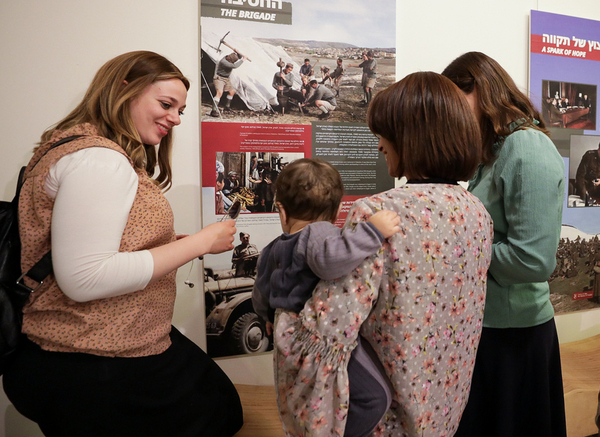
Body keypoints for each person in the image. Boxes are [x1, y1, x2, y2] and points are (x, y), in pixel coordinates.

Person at [4, 51, 243, 436]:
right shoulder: (100, 161)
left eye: (180, 109)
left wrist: (172, 244)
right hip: (91, 359)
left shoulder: (80, 148)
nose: (176, 119)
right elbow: (84, 278)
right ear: (123, 89)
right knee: (219, 411)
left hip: (98, 347)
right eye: (166, 104)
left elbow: (95, 244)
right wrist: (199, 243)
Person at [272, 72, 492, 436]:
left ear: (410, 138)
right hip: (444, 411)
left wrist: (279, 311)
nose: (378, 147)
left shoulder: (378, 212)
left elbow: (328, 330)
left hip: (385, 419)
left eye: (382, 135)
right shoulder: (476, 212)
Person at [442, 51, 567, 437]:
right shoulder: (492, 154)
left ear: (477, 88)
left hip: (514, 336)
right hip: (489, 328)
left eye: (454, 100)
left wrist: (459, 249)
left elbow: (532, 261)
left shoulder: (525, 147)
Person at [252, 158, 401, 437]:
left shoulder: (271, 249)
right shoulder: (318, 232)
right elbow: (330, 261)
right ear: (335, 214)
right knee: (375, 397)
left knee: (307, 402)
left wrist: (264, 318)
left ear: (281, 211)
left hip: (285, 331)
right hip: (317, 335)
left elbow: (261, 291)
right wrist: (373, 232)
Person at [574, 137, 600, 204]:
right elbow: (580, 177)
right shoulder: (589, 156)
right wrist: (585, 194)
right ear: (598, 150)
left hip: (596, 192)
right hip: (583, 192)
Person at [210, 51, 243, 117]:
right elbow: (235, 66)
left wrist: (238, 52)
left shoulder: (229, 57)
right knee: (219, 92)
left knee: (232, 92)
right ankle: (213, 110)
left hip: (226, 78)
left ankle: (227, 107)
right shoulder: (224, 62)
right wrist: (243, 60)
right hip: (219, 78)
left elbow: (239, 57)